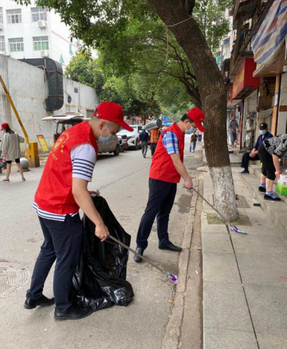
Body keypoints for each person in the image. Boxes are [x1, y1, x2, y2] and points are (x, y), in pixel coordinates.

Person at [24, 102, 133, 321]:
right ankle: (63, 308)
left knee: (49, 250)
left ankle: (33, 296)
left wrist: (84, 191)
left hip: (44, 203)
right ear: (102, 124)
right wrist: (99, 224)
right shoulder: (87, 147)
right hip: (60, 210)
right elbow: (77, 191)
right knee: (67, 258)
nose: (113, 135)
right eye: (113, 130)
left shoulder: (73, 132)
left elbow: (68, 176)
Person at [134, 108, 205, 262]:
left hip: (171, 179)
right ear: (187, 122)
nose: (193, 128)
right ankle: (140, 245)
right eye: (193, 125)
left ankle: (163, 241)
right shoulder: (171, 133)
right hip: (159, 178)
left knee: (165, 212)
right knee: (151, 212)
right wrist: (187, 179)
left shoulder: (179, 134)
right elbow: (176, 160)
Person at [258, 133, 287, 201]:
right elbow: (275, 155)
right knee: (271, 171)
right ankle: (268, 194)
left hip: (264, 148)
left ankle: (262, 186)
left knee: (265, 168)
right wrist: (277, 170)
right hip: (266, 150)